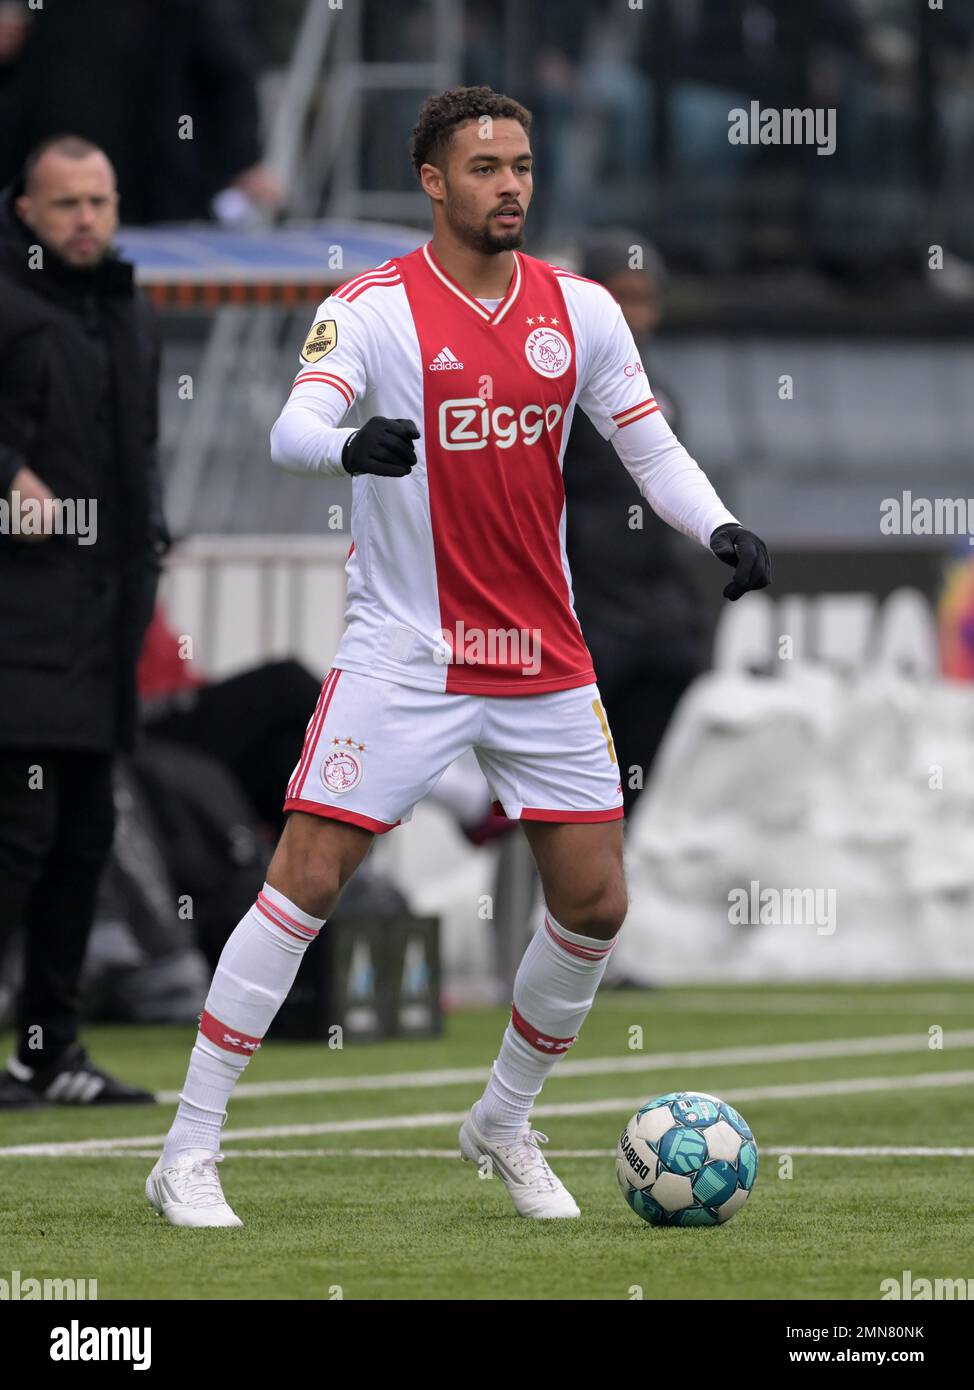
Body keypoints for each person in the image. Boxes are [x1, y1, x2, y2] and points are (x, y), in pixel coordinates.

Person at [146, 85, 770, 1227]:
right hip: (407, 652)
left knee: (592, 904)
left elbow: (648, 443)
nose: (510, 186)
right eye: (484, 168)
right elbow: (291, 428)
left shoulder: (578, 310)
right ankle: (188, 1146)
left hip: (542, 655)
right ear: (433, 182)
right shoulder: (371, 310)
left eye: (522, 166)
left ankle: (499, 1118)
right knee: (307, 878)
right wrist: (350, 445)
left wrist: (715, 523)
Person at [0, 135, 168, 1109]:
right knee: (17, 839)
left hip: (99, 636)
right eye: (65, 204)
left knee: (81, 840)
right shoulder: (11, 307)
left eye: (99, 201)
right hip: (19, 628)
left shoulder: (124, 313)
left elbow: (133, 455)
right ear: (25, 211)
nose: (85, 220)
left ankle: (49, 1050)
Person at [563, 232, 712, 817]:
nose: (637, 314)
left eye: (646, 299)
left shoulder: (660, 394)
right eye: (622, 296)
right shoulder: (552, 392)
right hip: (588, 631)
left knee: (638, 802)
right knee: (571, 802)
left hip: (659, 631)